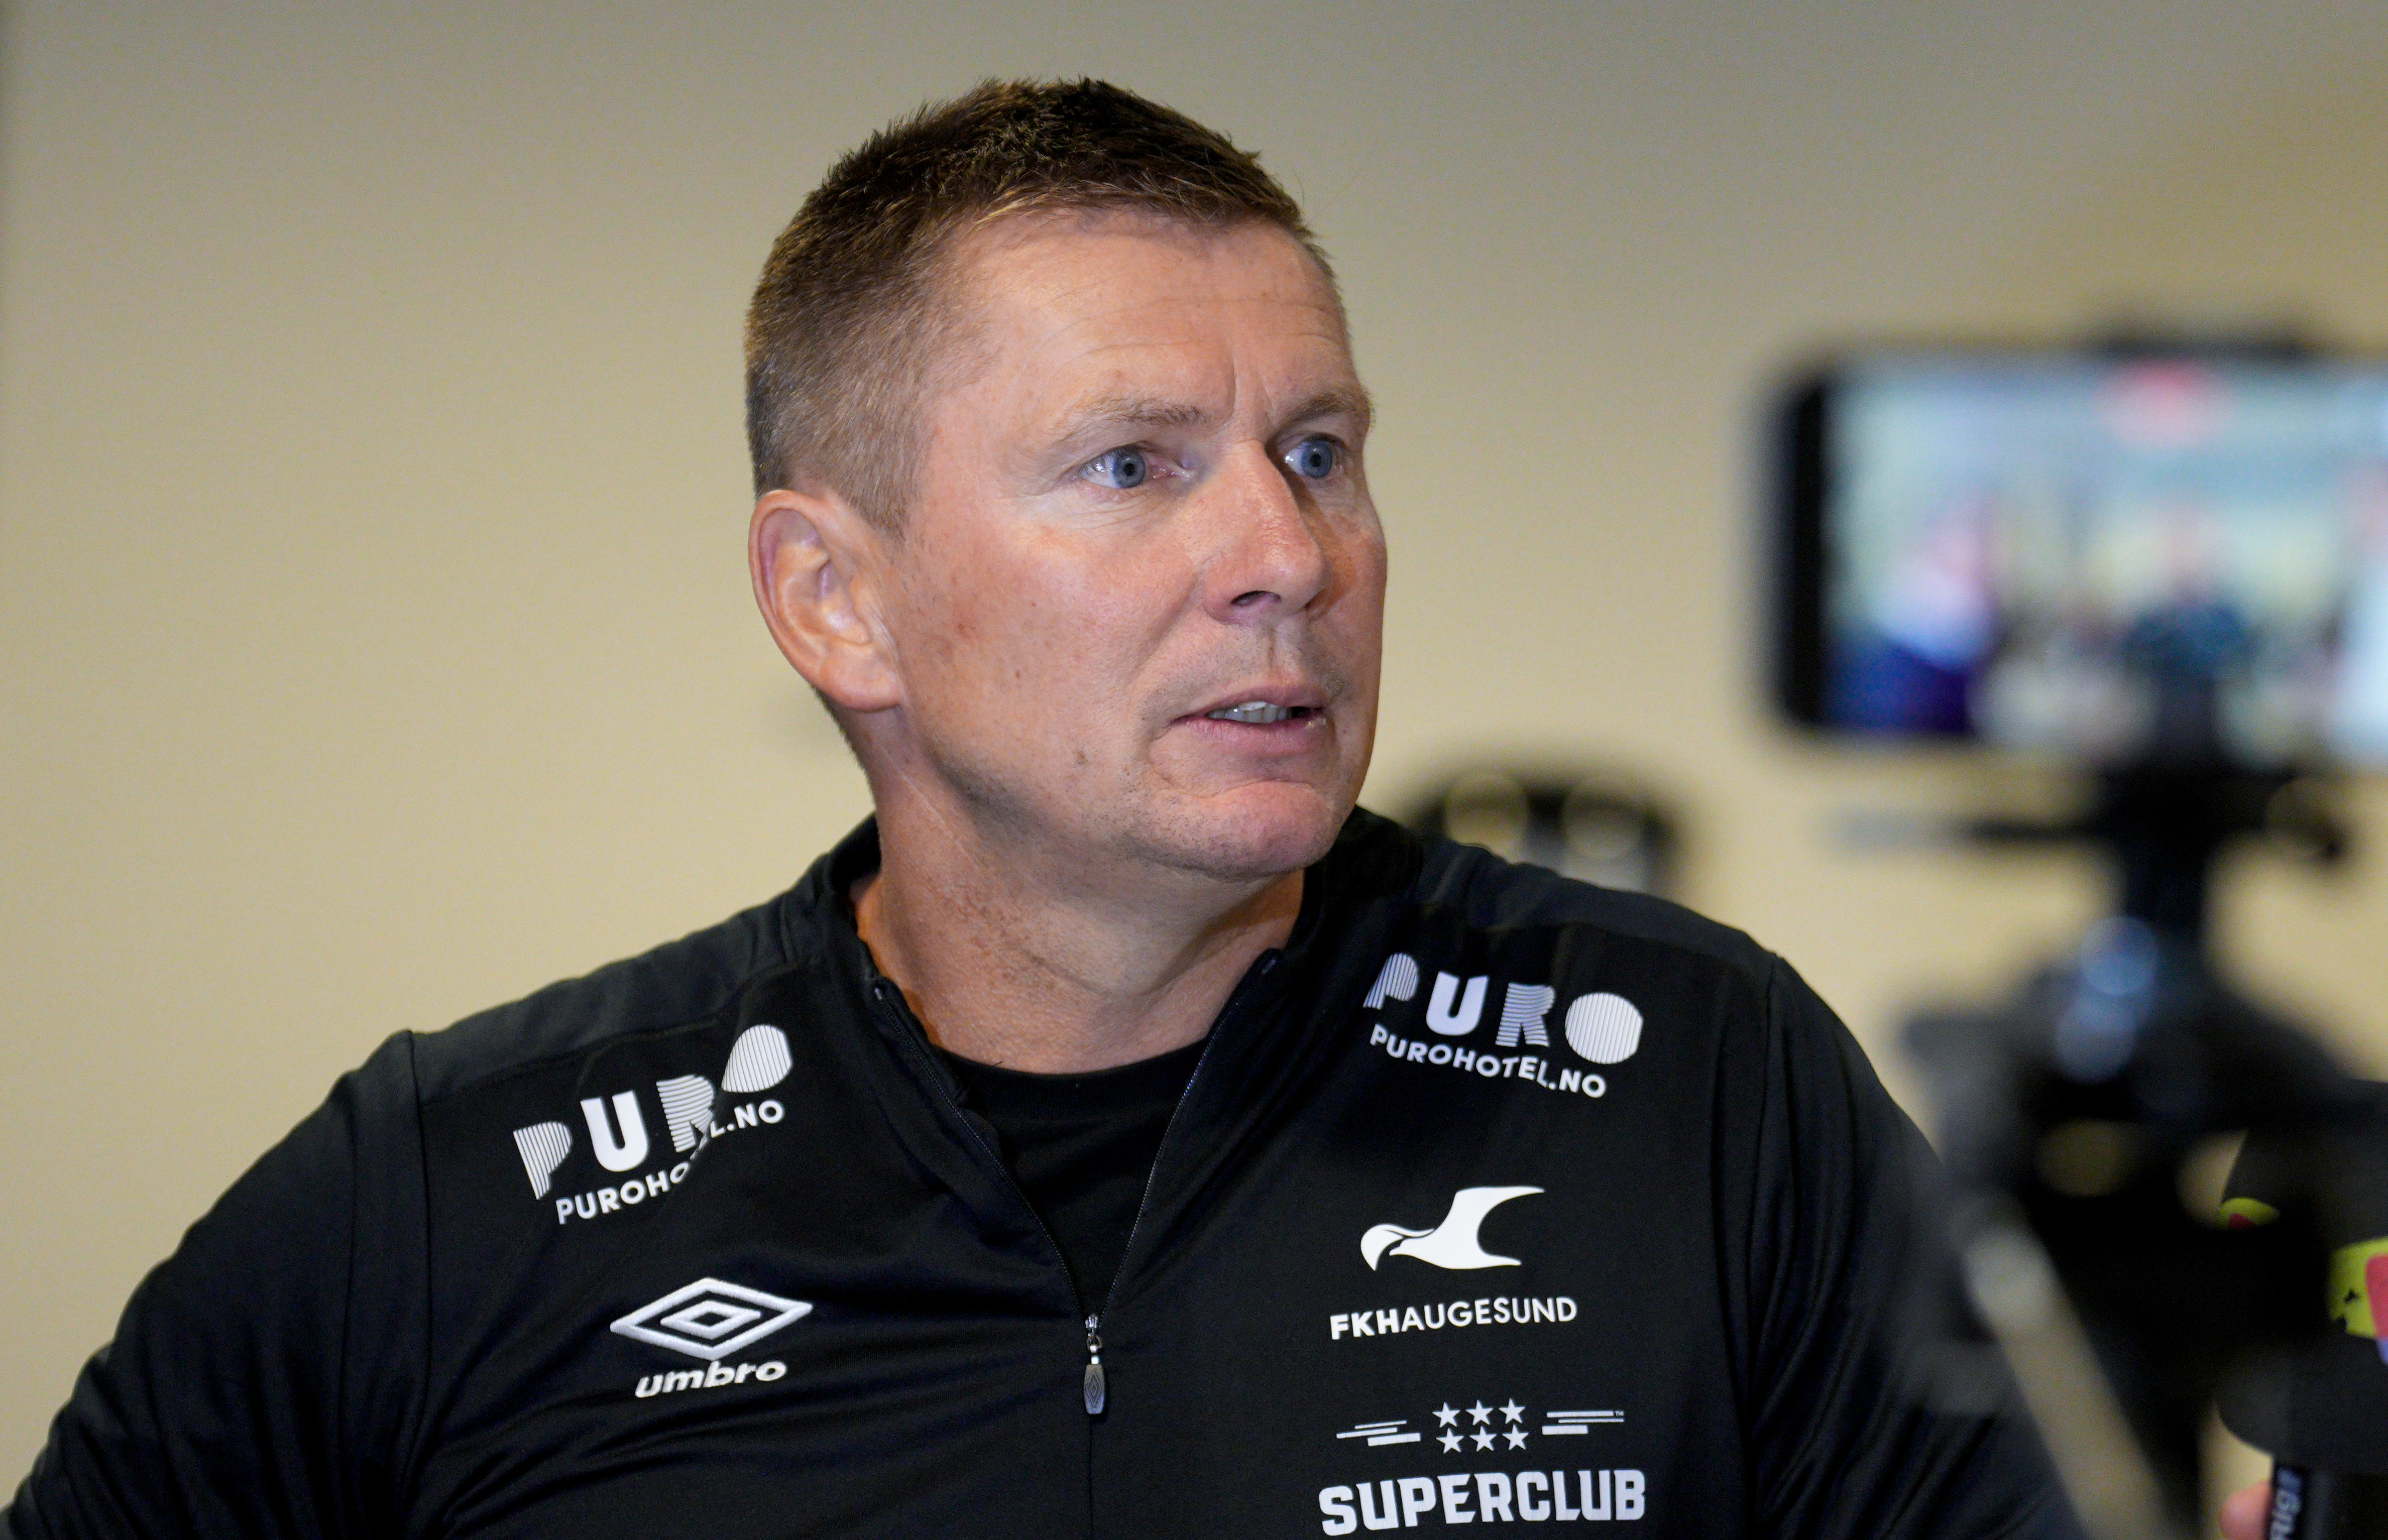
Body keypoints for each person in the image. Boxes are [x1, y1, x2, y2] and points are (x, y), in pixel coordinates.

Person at [7, 80, 2076, 1538]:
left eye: (1319, 449)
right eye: (1132, 465)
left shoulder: (1697, 1081)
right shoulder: (451, 1188)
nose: (1285, 552)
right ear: (836, 598)